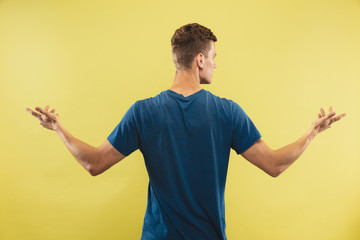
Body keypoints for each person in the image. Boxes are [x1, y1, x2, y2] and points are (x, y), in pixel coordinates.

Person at [26, 23, 346, 240]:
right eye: (214, 58)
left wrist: (58, 129)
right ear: (199, 59)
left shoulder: (144, 111)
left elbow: (94, 163)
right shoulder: (226, 112)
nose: (216, 65)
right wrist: (312, 133)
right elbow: (275, 165)